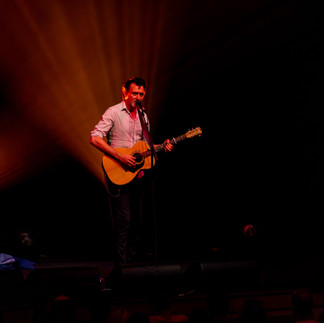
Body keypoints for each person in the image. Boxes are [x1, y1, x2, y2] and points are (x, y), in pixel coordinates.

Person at [89, 77, 173, 265]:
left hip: (137, 175)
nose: (138, 97)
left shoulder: (143, 116)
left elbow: (145, 147)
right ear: (125, 92)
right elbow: (95, 137)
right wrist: (120, 156)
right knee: (124, 220)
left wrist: (163, 145)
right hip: (117, 172)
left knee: (139, 221)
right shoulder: (113, 112)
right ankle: (121, 265)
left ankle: (133, 264)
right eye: (134, 93)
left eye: (141, 94)